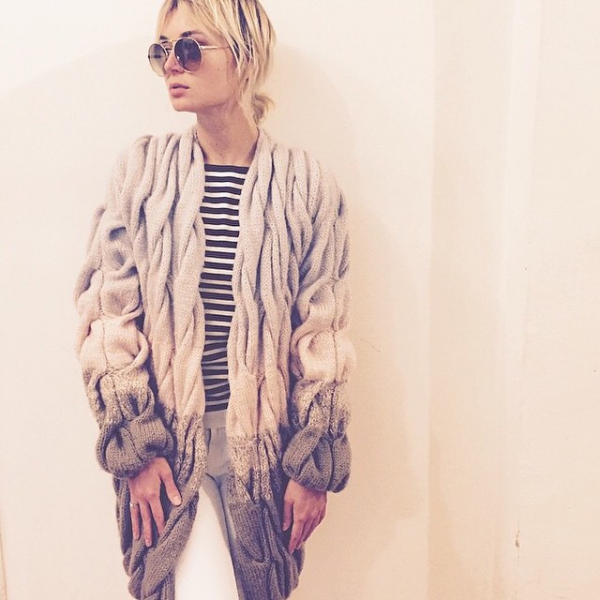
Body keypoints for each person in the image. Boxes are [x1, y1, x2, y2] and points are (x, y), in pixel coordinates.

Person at [74, 0, 355, 599]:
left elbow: (322, 335)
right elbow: (107, 318)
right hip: (170, 453)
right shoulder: (142, 174)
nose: (172, 65)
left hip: (265, 456)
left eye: (190, 48)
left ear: (244, 54)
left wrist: (313, 463)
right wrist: (136, 448)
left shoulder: (306, 185)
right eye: (162, 51)